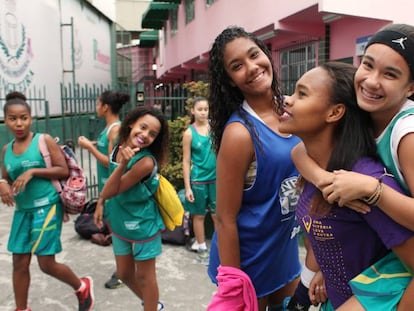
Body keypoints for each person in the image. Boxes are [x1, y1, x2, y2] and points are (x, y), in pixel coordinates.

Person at [292, 24, 414, 310]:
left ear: (410, 87)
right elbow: (298, 152)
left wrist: (372, 190)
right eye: (367, 65)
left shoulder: (407, 135)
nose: (372, 80)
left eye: (390, 74)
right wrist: (326, 181)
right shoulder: (367, 108)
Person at [206, 26, 301, 311]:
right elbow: (224, 218)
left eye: (254, 55)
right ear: (230, 81)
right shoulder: (240, 133)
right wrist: (235, 286)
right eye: (237, 66)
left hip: (285, 252)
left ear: (266, 56)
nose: (251, 67)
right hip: (248, 260)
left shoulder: (294, 110)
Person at [0, 91, 94, 311]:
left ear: (31, 118)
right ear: (5, 120)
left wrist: (33, 171)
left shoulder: (43, 140)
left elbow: (62, 170)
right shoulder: (7, 150)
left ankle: (82, 286)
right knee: (19, 263)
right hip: (23, 211)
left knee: (46, 264)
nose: (19, 123)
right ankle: (21, 309)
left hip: (47, 206)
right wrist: (2, 184)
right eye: (13, 119)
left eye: (24, 117)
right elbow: (6, 176)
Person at [93, 106, 169, 311]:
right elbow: (108, 188)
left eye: (152, 134)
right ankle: (153, 305)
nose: (145, 135)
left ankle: (151, 306)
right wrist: (100, 204)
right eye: (142, 127)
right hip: (119, 220)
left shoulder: (144, 161)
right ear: (131, 124)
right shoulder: (118, 147)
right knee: (125, 274)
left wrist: (123, 165)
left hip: (142, 224)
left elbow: (111, 189)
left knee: (145, 276)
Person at [78, 90, 129, 289]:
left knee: (117, 231)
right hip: (108, 189)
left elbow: (111, 163)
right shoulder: (109, 129)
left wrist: (90, 149)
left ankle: (123, 272)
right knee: (114, 229)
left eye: (98, 103)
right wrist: (90, 144)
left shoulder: (115, 130)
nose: (96, 107)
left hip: (114, 191)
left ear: (105, 107)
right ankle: (125, 269)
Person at [182, 96, 217, 264]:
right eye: (200, 109)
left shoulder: (215, 128)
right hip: (197, 182)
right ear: (193, 111)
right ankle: (202, 248)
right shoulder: (189, 133)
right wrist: (187, 187)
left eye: (206, 109)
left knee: (218, 216)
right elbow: (186, 161)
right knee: (199, 216)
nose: (203, 112)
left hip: (216, 180)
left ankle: (219, 249)